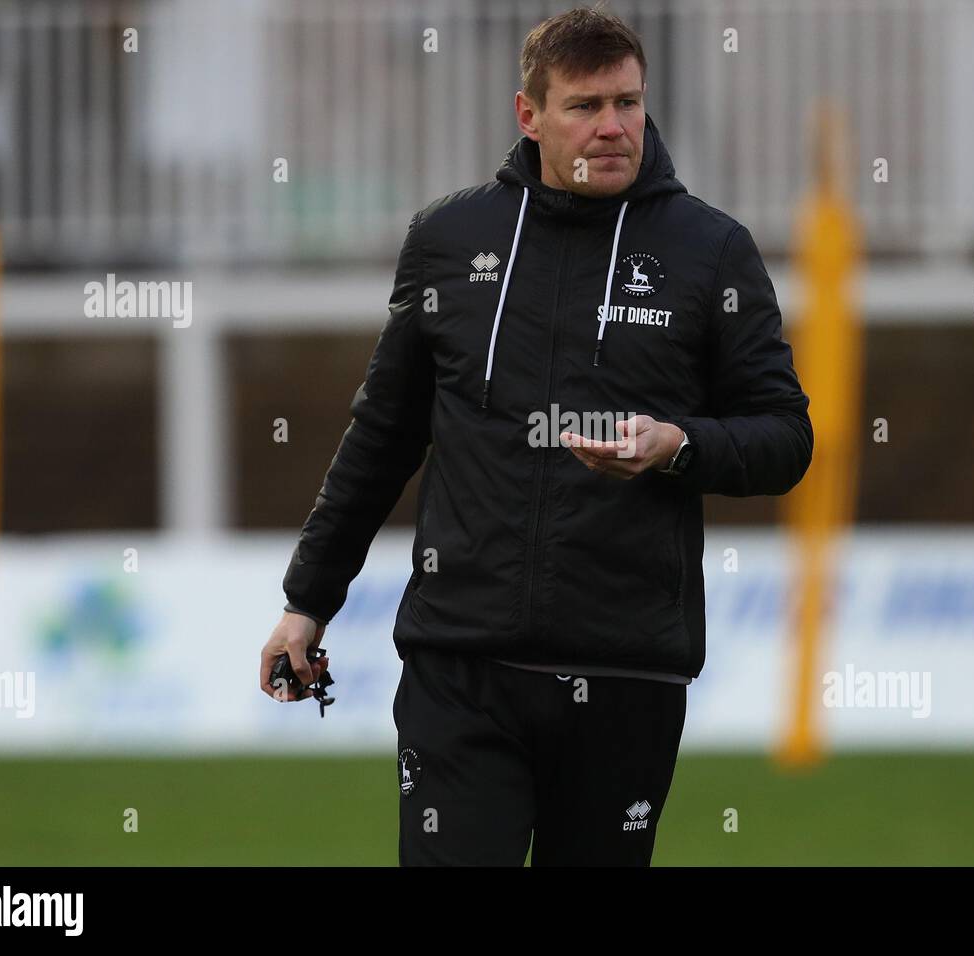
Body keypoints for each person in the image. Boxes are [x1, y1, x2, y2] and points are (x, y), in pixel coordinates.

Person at [259, 5, 813, 866]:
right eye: (585, 107)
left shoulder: (711, 252)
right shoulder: (449, 239)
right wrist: (307, 602)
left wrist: (679, 446)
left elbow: (785, 437)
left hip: (628, 670)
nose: (612, 128)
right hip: (462, 666)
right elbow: (383, 436)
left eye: (628, 103)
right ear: (530, 116)